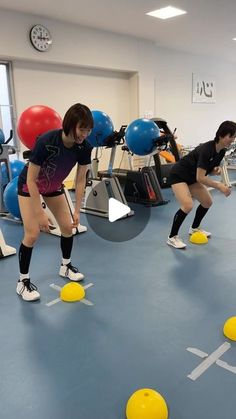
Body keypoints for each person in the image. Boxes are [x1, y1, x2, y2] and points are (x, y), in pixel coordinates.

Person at [17, 103, 94, 301]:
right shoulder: (46, 141)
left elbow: (80, 179)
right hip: (29, 187)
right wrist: (40, 212)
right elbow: (31, 180)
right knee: (32, 234)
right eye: (81, 128)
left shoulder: (84, 147)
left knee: (68, 227)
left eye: (88, 130)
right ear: (70, 124)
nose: (84, 134)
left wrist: (77, 209)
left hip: (53, 187)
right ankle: (22, 282)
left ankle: (65, 266)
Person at [167, 120, 236, 249]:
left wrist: (214, 171)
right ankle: (172, 237)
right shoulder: (207, 149)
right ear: (221, 135)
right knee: (187, 205)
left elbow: (206, 169)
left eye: (234, 137)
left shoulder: (221, 152)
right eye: (230, 136)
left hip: (192, 177)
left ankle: (194, 228)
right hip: (179, 175)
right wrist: (220, 186)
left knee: (207, 202)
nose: (232, 139)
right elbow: (201, 177)